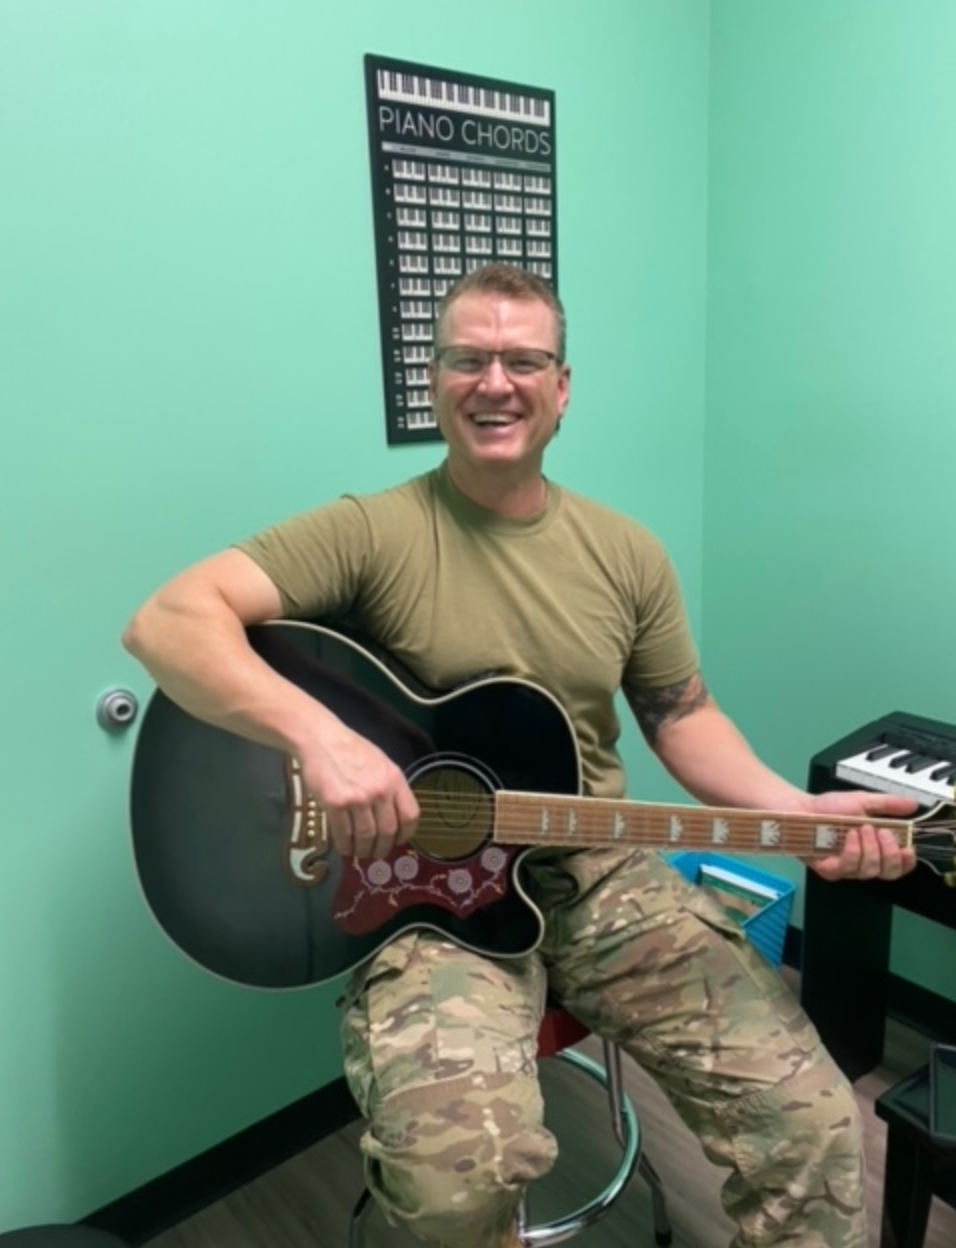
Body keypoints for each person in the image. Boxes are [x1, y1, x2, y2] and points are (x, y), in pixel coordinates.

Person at [123, 263, 916, 1248]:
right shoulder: (371, 532)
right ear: (434, 378)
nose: (495, 382)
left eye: (523, 360)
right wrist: (319, 739)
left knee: (811, 1123)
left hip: (597, 878)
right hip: (426, 903)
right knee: (457, 1188)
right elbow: (168, 620)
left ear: (562, 386)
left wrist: (785, 813)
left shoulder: (625, 552)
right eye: (469, 358)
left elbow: (683, 715)